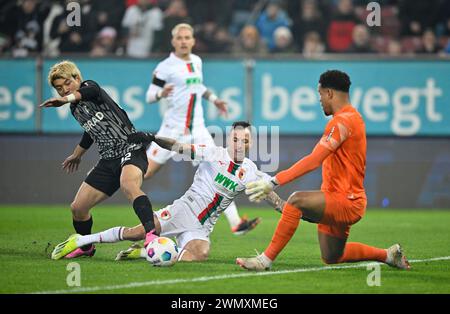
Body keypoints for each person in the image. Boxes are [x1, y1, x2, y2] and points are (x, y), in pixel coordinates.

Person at [236, 70, 411, 271]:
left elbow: (314, 160)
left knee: (296, 200)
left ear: (329, 93)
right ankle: (388, 255)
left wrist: (273, 181)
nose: (319, 100)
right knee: (332, 255)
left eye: (320, 94)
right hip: (339, 199)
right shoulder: (352, 118)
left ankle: (264, 261)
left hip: (346, 201)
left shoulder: (342, 121)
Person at [50, 122, 284, 261]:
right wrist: (153, 138)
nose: (239, 144)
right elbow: (178, 147)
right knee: (136, 232)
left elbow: (270, 194)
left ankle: (144, 253)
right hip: (183, 210)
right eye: (235, 138)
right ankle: (82, 239)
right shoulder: (213, 153)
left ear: (251, 144)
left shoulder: (251, 171)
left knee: (200, 255)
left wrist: (288, 210)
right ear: (229, 139)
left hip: (203, 227)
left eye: (244, 140)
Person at [144, 23, 261, 236]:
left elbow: (198, 87)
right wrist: (161, 94)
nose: (183, 41)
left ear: (193, 40)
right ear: (173, 41)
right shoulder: (164, 67)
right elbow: (149, 96)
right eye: (179, 38)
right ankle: (116, 182)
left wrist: (214, 99)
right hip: (173, 128)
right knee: (146, 172)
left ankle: (236, 224)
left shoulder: (197, 61)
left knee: (221, 166)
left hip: (197, 127)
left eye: (187, 37)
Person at [40, 60, 158, 259]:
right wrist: (77, 154)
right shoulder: (75, 109)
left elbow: (88, 93)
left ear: (77, 78)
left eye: (67, 84)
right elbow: (90, 131)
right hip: (108, 160)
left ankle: (152, 236)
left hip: (131, 148)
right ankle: (86, 247)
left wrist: (65, 98)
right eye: (59, 88)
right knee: (78, 208)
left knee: (128, 185)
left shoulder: (90, 87)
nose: (63, 90)